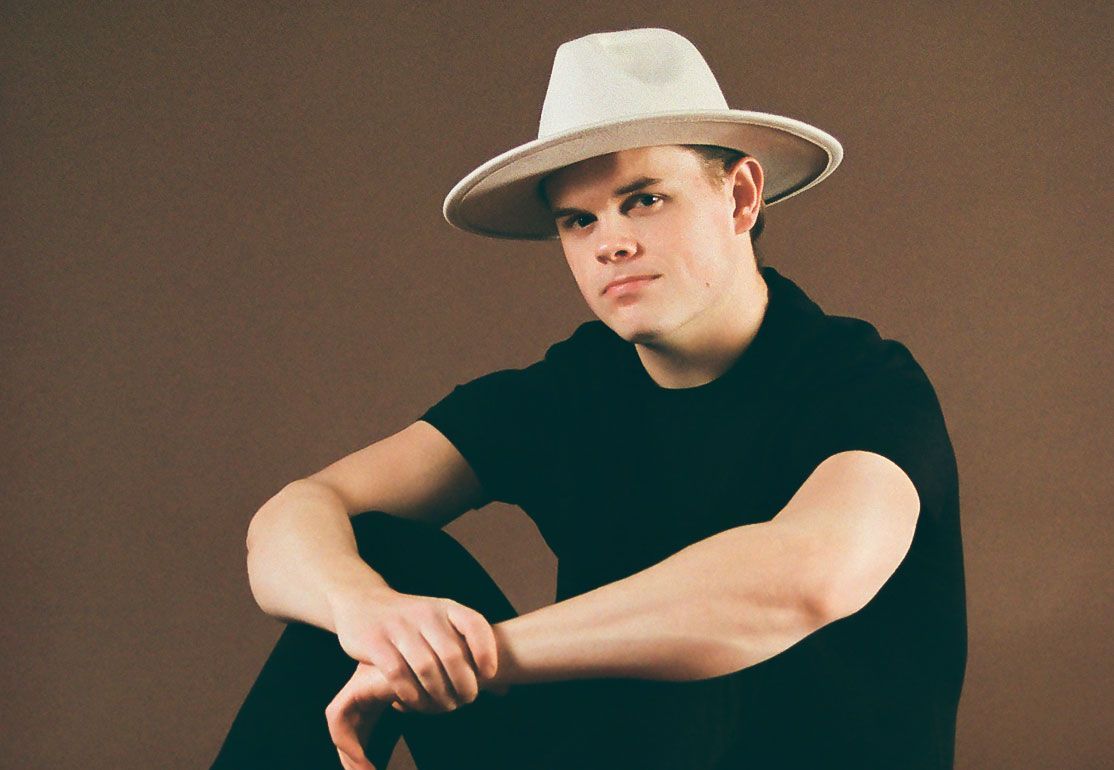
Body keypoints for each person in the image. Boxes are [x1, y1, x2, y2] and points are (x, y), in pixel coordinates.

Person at [210, 27, 966, 770]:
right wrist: (370, 621)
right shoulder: (570, 390)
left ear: (739, 196)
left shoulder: (863, 382)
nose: (610, 244)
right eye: (579, 220)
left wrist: (483, 655)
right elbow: (289, 520)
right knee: (374, 552)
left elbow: (803, 579)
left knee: (692, 665)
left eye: (643, 201)